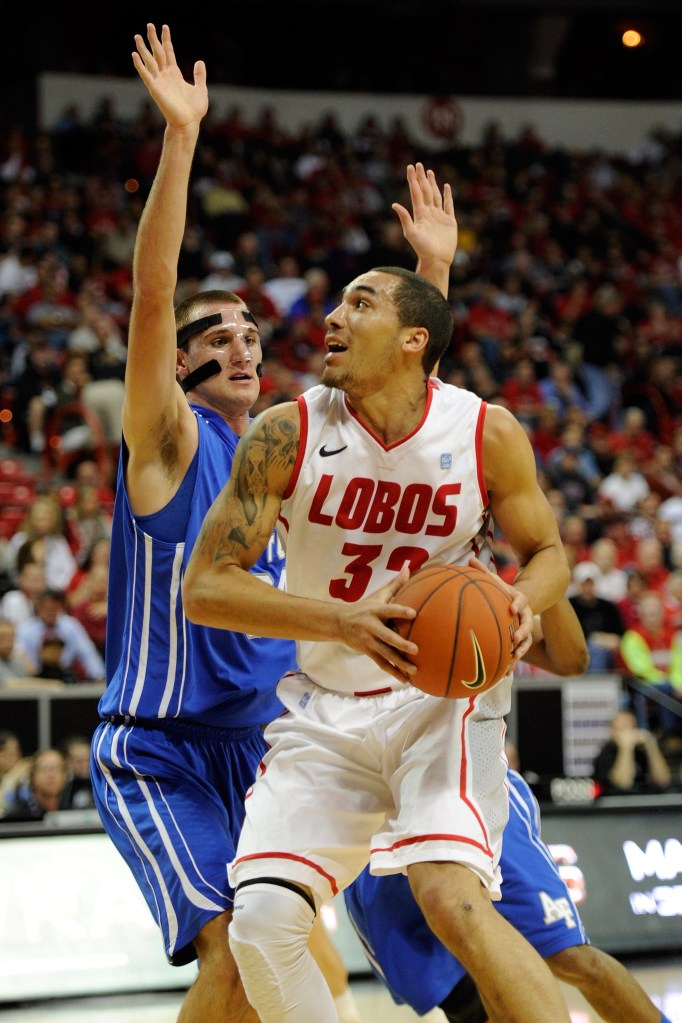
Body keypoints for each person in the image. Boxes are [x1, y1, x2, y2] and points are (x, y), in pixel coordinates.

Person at [183, 123, 571, 1023]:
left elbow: (548, 554)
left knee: (452, 897)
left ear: (407, 339)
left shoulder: (486, 431)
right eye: (338, 302)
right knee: (263, 922)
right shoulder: (286, 430)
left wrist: (522, 603)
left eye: (358, 303)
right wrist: (344, 621)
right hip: (327, 705)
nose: (331, 316)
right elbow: (206, 587)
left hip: (442, 701)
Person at [89, 25, 364, 1023]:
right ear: (179, 363)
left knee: (274, 949)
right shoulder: (169, 438)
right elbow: (152, 291)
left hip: (259, 748)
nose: (241, 343)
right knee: (235, 953)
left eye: (251, 331)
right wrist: (180, 141)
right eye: (216, 336)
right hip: (159, 747)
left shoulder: (278, 460)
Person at [345, 594, 672, 1023]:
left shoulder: (464, 579)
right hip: (365, 814)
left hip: (463, 788)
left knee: (572, 958)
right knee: (461, 1001)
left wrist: (541, 574)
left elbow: (570, 657)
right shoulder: (321, 577)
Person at [15, 588, 105, 682]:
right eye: (46, 608)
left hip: (64, 676)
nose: (50, 612)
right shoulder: (26, 630)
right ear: (39, 608)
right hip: (35, 678)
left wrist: (99, 676)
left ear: (60, 607)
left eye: (54, 608)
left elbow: (87, 652)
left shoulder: (71, 626)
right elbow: (20, 655)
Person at [592, 709, 671, 796]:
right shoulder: (605, 753)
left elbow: (663, 781)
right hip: (615, 804)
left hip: (645, 801)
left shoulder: (640, 751)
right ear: (612, 731)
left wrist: (651, 746)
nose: (628, 734)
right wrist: (626, 748)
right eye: (622, 729)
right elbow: (623, 785)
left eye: (631, 728)